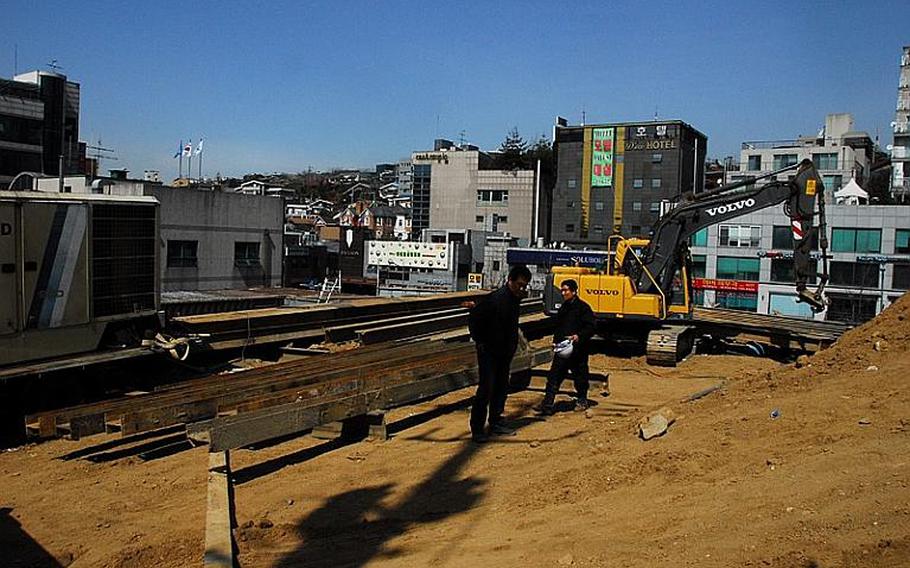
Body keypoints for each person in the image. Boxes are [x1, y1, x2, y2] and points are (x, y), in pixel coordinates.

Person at [467, 264, 532, 443]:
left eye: (524, 286)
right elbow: (474, 318)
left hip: (504, 352)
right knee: (486, 389)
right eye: (519, 284)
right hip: (489, 352)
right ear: (509, 281)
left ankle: (495, 421)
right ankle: (478, 429)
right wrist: (481, 342)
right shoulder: (496, 300)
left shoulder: (514, 300)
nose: (521, 288)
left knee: (501, 387)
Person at [534, 278, 595, 415]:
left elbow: (591, 327)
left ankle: (582, 400)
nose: (563, 293)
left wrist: (578, 336)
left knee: (580, 376)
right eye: (562, 290)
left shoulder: (583, 308)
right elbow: (559, 327)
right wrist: (556, 342)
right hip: (563, 348)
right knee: (554, 375)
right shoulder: (564, 307)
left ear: (573, 291)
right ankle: (547, 404)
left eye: (566, 290)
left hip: (578, 350)